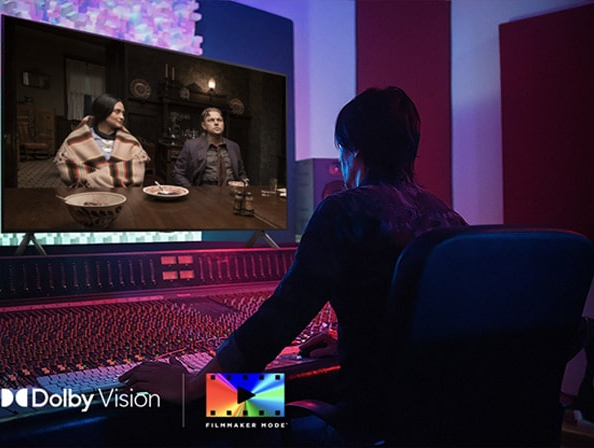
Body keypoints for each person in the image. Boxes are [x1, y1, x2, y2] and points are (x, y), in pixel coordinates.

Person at [120, 87, 467, 444]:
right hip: (439, 421)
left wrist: (197, 383)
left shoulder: (343, 212)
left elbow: (280, 318)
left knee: (212, 406)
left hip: (364, 421)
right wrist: (357, 339)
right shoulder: (450, 220)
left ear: (354, 152)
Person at [54, 94, 150, 188]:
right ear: (103, 111)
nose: (122, 117)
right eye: (117, 112)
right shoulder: (76, 139)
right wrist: (115, 175)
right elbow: (69, 173)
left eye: (123, 113)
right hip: (85, 196)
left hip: (123, 196)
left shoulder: (131, 142)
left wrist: (91, 178)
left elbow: (136, 173)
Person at [171, 107, 247, 187]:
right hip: (203, 194)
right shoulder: (191, 146)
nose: (216, 123)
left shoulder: (234, 147)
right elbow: (177, 174)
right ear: (204, 125)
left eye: (219, 120)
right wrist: (193, 191)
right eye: (211, 120)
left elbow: (241, 173)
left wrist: (244, 182)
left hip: (230, 193)